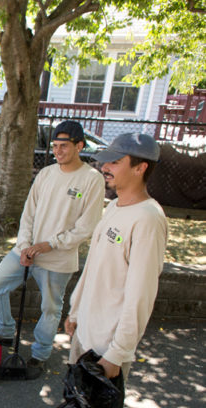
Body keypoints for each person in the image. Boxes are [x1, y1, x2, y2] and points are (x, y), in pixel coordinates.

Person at [0, 120, 105, 372]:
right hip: (26, 252)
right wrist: (26, 245)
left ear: (80, 146)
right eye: (55, 146)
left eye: (64, 146)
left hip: (58, 259)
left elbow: (86, 226)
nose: (57, 151)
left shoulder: (91, 179)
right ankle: (5, 330)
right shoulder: (46, 174)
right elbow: (29, 213)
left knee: (50, 308)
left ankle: (39, 355)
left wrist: (48, 245)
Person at [66, 133, 168, 380]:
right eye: (105, 161)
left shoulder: (147, 219)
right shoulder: (113, 206)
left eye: (115, 162)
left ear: (140, 168)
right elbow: (94, 267)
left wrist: (116, 354)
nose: (105, 167)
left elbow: (140, 295)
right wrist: (76, 311)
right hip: (85, 334)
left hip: (106, 347)